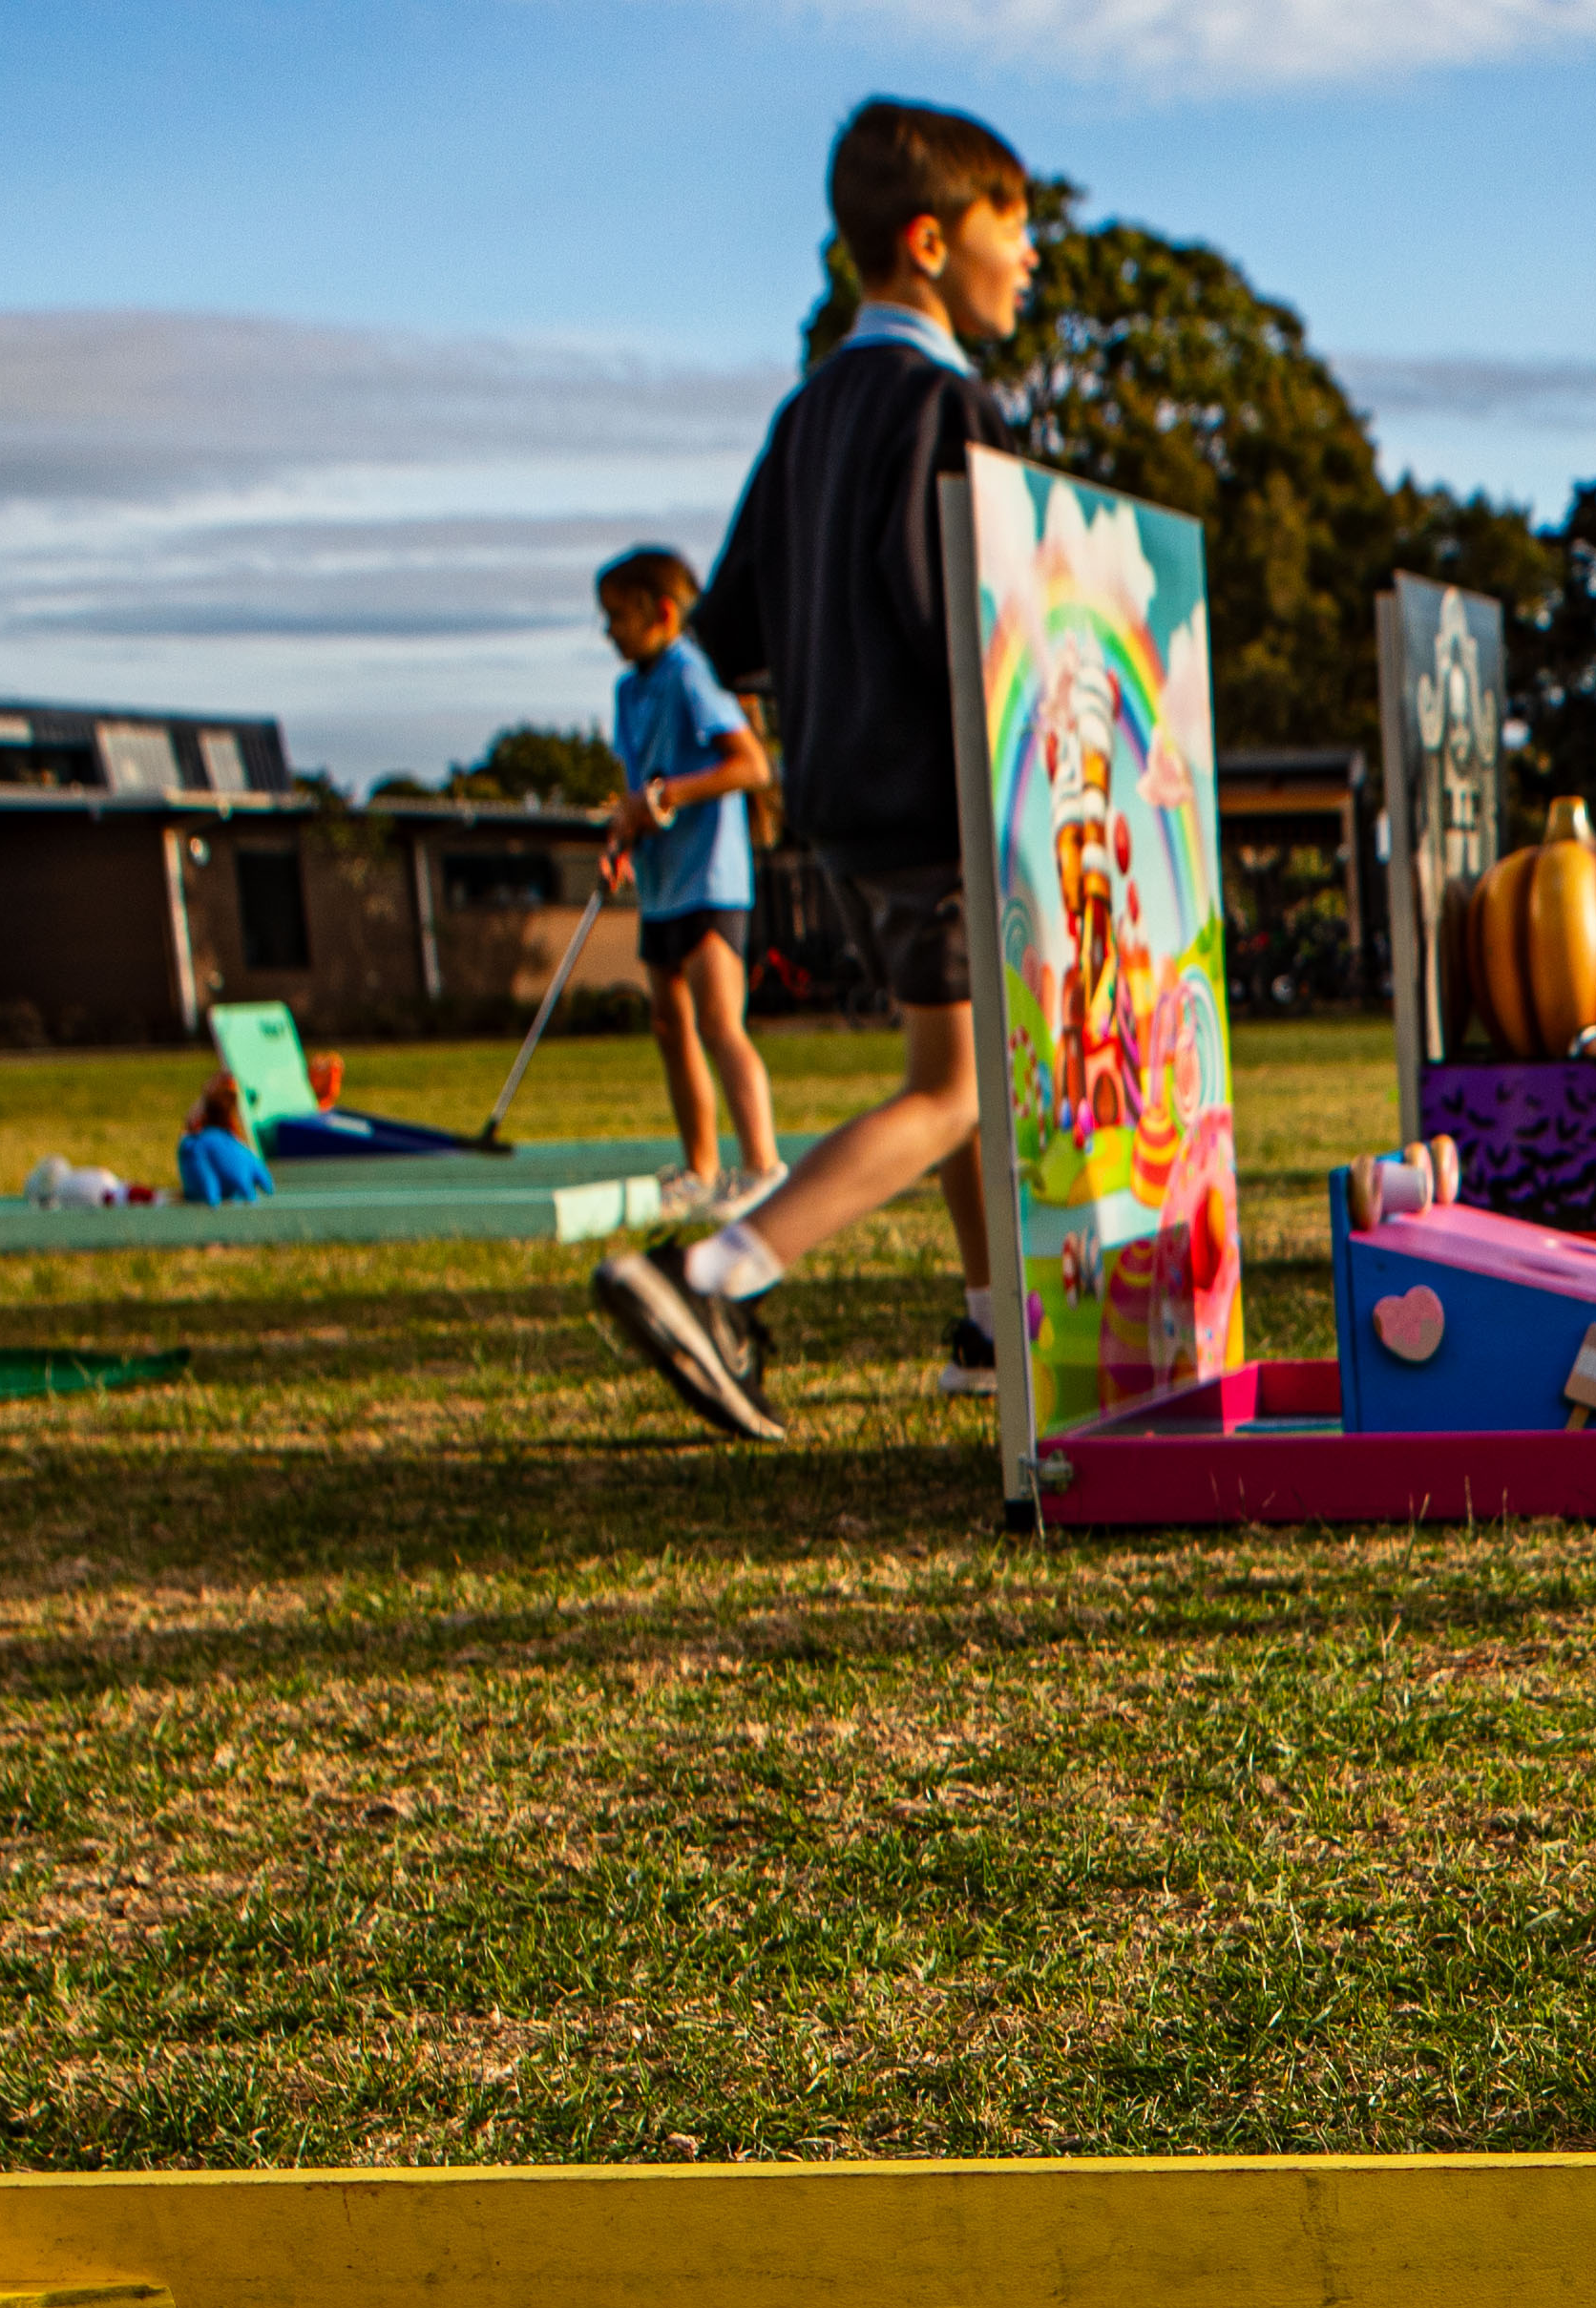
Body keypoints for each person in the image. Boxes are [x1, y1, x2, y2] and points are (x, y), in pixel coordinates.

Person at [594, 96, 1029, 1442]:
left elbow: (728, 633)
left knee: (957, 1066)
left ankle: (985, 1325)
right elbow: (973, 620)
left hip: (841, 813)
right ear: (928, 243)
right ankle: (712, 1276)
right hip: (937, 803)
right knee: (957, 1091)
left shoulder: (811, 411)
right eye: (1013, 235)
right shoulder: (947, 404)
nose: (1029, 264)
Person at [597, 543, 783, 1210]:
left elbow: (750, 767)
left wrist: (669, 795)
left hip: (710, 879)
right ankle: (701, 1171)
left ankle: (762, 1165)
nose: (610, 630)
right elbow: (634, 787)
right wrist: (622, 834)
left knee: (717, 1021)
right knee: (671, 1030)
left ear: (661, 612)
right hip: (661, 882)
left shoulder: (690, 673)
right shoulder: (629, 691)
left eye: (618, 615)